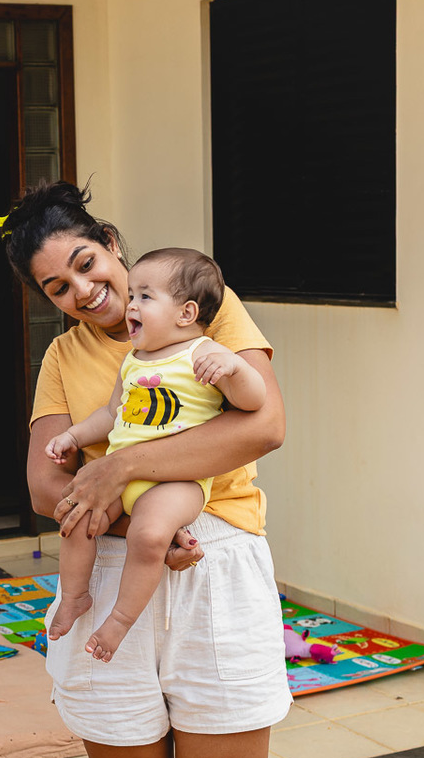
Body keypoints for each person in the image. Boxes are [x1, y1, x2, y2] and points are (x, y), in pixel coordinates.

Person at [1, 181, 290, 758]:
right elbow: (44, 486)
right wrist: (137, 522)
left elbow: (262, 427)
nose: (85, 291)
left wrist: (120, 467)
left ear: (109, 243)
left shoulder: (203, 306)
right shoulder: (62, 357)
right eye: (58, 288)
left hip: (215, 561)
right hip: (107, 564)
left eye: (87, 264)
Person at [43, 248, 267, 663]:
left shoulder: (203, 352)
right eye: (133, 297)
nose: (130, 306)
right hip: (121, 479)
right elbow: (111, 414)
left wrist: (235, 370)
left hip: (178, 481)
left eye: (145, 298)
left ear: (186, 313)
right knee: (76, 516)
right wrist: (73, 436)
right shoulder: (133, 360)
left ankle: (120, 621)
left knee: (149, 535)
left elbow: (255, 403)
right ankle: (74, 596)